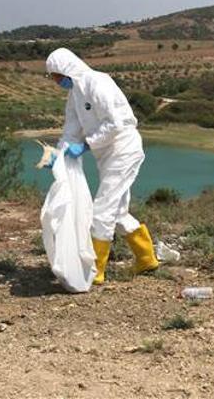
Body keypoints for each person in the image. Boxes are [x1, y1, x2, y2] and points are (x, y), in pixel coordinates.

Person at [45, 48, 158, 285]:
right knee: (117, 211)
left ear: (66, 69)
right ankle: (146, 258)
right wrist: (59, 155)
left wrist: (85, 145)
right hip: (106, 155)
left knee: (102, 211)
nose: (56, 81)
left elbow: (116, 124)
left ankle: (95, 270)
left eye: (56, 75)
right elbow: (71, 131)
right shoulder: (74, 95)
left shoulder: (98, 82)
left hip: (123, 150)